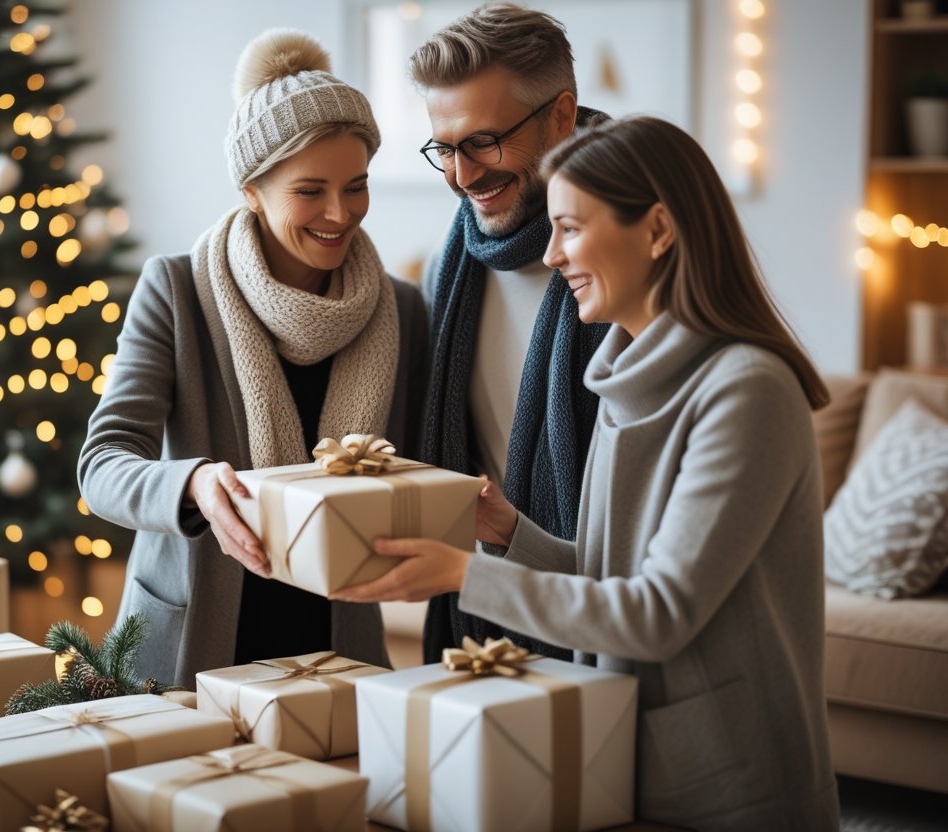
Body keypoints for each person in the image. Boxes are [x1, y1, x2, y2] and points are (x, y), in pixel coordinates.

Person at [333, 116, 840, 830]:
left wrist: (461, 574)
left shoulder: (745, 390)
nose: (551, 253)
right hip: (626, 756)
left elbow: (658, 612)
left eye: (570, 227)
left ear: (658, 230)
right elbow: (611, 573)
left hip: (729, 780)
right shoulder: (625, 376)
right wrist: (510, 533)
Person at [78, 29, 429, 689]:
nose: (340, 213)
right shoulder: (176, 291)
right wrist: (193, 486)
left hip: (337, 654)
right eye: (310, 190)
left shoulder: (403, 309)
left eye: (356, 186)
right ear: (251, 189)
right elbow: (100, 467)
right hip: (189, 656)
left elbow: (415, 474)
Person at [411, 2, 611, 662]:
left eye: (484, 142)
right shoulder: (450, 270)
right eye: (445, 148)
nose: (462, 176)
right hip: (486, 643)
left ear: (561, 115)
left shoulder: (632, 261)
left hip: (606, 637)